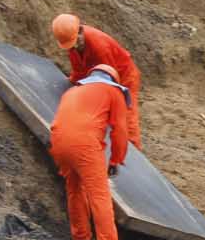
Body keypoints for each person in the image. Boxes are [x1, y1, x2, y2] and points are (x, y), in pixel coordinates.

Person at [49, 64, 131, 240]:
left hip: (58, 141)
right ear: (113, 80)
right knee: (99, 194)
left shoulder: (72, 91)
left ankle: (80, 238)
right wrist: (116, 160)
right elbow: (120, 131)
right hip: (84, 144)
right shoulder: (113, 91)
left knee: (74, 188)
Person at [52, 14, 143, 148]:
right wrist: (73, 83)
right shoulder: (73, 43)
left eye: (77, 43)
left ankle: (133, 147)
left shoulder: (100, 47)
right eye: (72, 46)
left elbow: (109, 79)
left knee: (125, 112)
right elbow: (79, 70)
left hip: (123, 75)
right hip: (99, 72)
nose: (75, 47)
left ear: (81, 31)